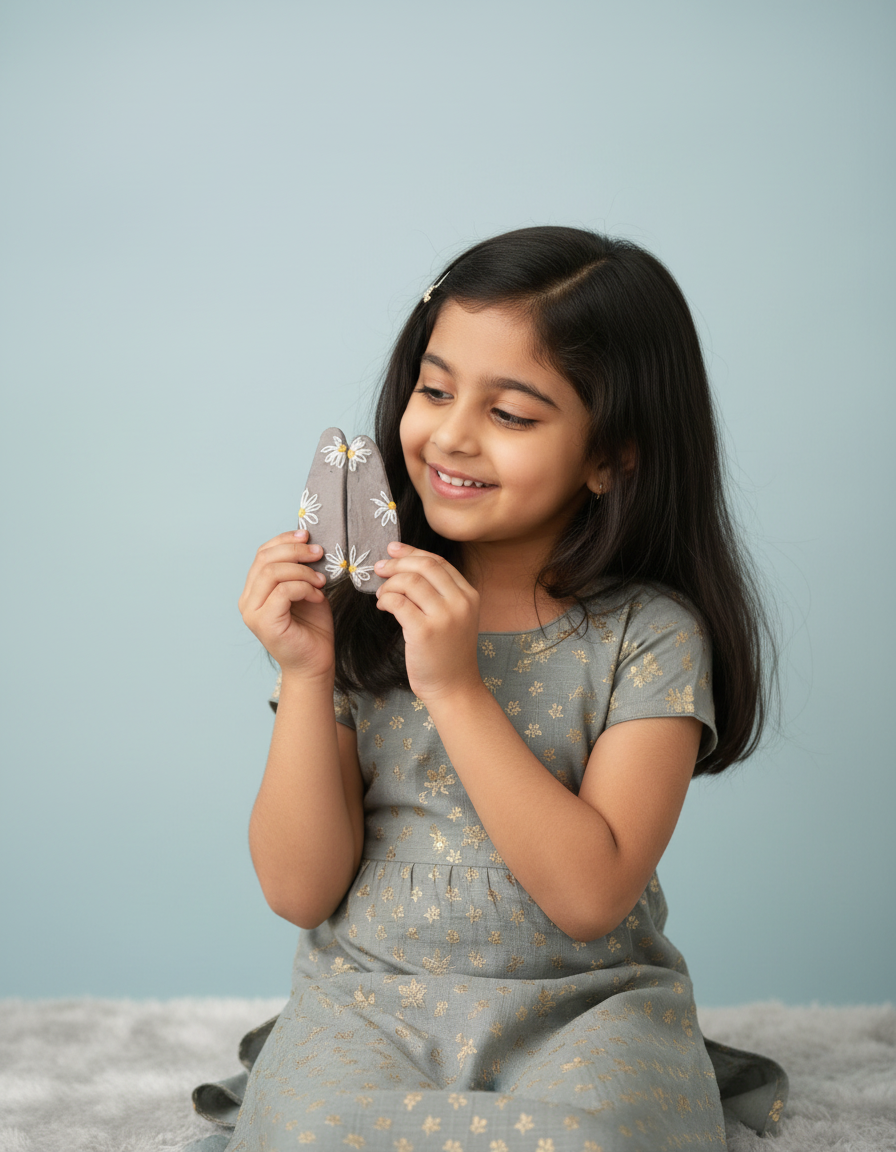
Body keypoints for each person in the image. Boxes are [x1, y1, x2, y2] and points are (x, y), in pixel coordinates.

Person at [189, 226, 788, 1151]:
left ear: (612, 456)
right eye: (434, 390)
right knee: (309, 1128)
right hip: (369, 1002)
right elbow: (300, 890)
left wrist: (457, 688)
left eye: (510, 413)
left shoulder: (651, 635)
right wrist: (305, 673)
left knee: (603, 1135)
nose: (451, 435)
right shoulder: (360, 615)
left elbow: (591, 898)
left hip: (588, 1006)